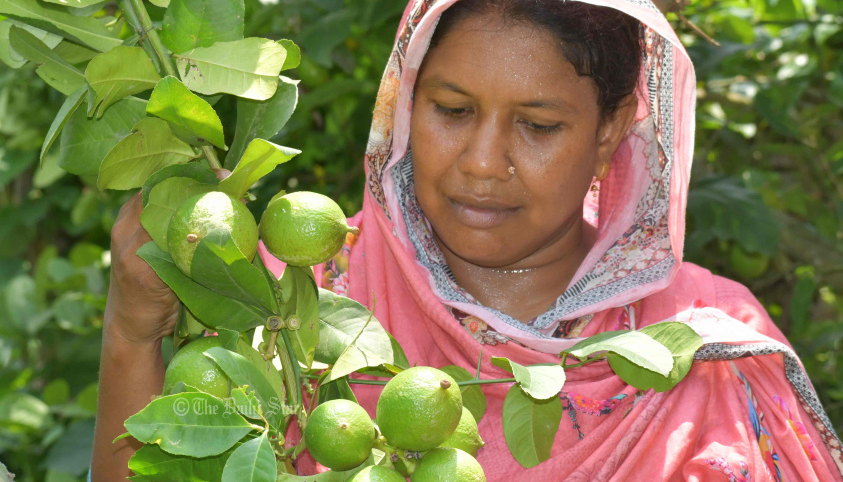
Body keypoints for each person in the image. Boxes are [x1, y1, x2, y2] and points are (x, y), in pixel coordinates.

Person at [91, 0, 843, 480]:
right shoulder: (294, 300)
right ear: (404, 98)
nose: (482, 163)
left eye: (538, 126)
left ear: (610, 130)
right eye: (451, 110)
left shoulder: (714, 349)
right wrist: (131, 334)